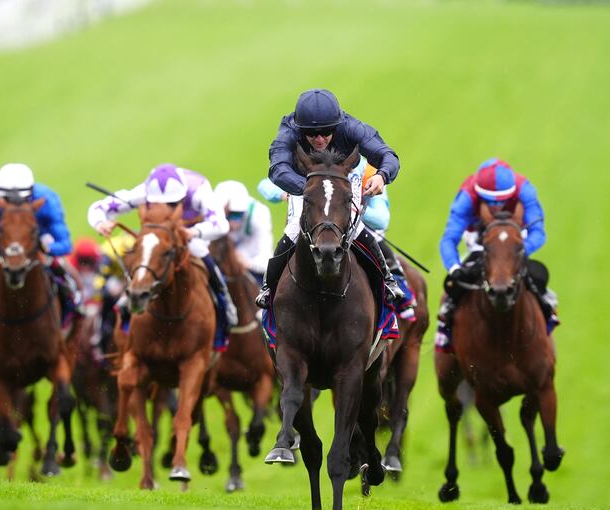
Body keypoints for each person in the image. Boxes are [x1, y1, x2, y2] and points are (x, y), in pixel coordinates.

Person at [255, 88, 405, 309]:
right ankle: (268, 287)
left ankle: (388, 280)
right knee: (295, 228)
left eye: (326, 132)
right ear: (299, 128)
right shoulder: (288, 131)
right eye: (312, 133)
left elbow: (387, 155)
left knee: (355, 227)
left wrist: (383, 176)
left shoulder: (351, 127)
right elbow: (278, 169)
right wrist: (309, 190)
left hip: (341, 182)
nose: (319, 139)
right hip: (304, 184)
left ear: (336, 125)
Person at [88, 163, 237, 351]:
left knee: (199, 250)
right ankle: (129, 302)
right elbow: (98, 207)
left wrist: (194, 232)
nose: (166, 209)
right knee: (145, 254)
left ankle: (224, 301)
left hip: (190, 233)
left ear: (182, 196)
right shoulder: (145, 191)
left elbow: (221, 226)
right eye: (159, 204)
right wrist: (101, 223)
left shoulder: (199, 191)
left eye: (173, 204)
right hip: (160, 236)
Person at [435, 158, 558, 353]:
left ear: (512, 194)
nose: (497, 208)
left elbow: (538, 232)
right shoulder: (467, 196)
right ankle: (446, 322)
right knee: (455, 285)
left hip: (514, 240)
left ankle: (547, 310)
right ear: (479, 195)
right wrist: (454, 267)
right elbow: (449, 239)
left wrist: (518, 251)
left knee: (537, 276)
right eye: (490, 203)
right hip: (478, 239)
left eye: (503, 203)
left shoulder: (525, 189)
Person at [0, 163, 81, 318]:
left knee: (65, 274)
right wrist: (12, 247)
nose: (13, 206)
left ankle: (75, 305)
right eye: (7, 200)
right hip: (7, 248)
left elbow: (65, 245)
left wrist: (43, 247)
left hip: (40, 244)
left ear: (31, 195)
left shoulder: (49, 201)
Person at [213, 180, 274, 285]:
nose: (231, 223)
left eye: (237, 215)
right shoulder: (211, 215)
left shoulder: (259, 215)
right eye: (226, 217)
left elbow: (267, 262)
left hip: (250, 263)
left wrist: (247, 263)